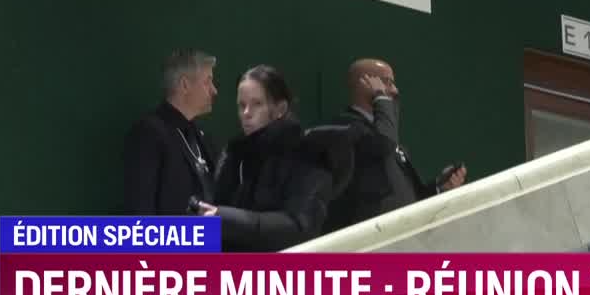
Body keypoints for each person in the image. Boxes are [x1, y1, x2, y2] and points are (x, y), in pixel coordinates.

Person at [195, 66, 352, 251]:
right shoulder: (234, 155)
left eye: (257, 104)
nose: (246, 113)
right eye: (241, 105)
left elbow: (300, 228)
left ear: (280, 109)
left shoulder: (308, 155)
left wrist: (225, 218)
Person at [323, 58, 467, 234]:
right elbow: (383, 144)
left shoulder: (385, 134)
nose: (395, 90)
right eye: (387, 82)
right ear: (364, 83)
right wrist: (381, 97)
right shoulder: (345, 127)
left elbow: (411, 199)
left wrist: (439, 188)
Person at [123, 49, 219, 215]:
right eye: (207, 81)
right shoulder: (149, 134)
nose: (214, 90)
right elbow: (140, 210)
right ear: (184, 85)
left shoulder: (201, 135)